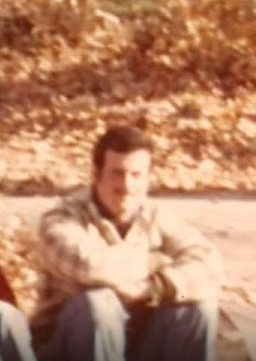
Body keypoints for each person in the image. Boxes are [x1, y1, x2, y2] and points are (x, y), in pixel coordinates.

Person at [31, 126, 222, 361]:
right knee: (99, 304)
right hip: (67, 349)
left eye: (136, 175)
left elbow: (210, 265)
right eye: (117, 173)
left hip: (135, 344)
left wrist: (153, 288)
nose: (127, 186)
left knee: (195, 307)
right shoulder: (61, 219)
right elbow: (90, 266)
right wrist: (156, 261)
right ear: (96, 174)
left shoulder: (155, 217)